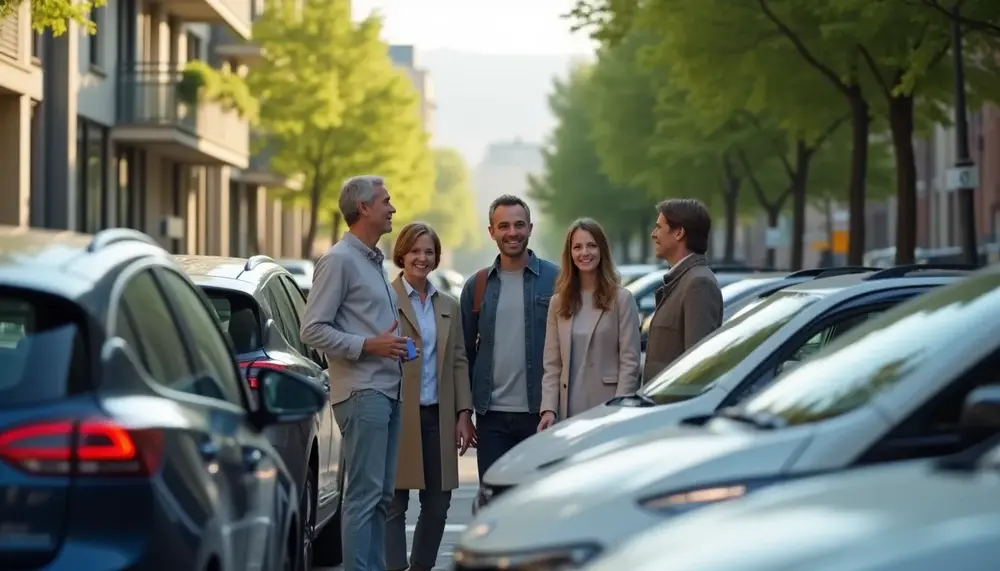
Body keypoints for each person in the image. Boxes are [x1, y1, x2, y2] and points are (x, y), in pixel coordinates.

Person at [301, 175, 414, 571]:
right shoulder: (338, 260)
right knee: (364, 497)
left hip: (387, 391)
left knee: (381, 496)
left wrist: (391, 346)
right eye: (385, 201)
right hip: (363, 393)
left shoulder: (372, 261)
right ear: (364, 208)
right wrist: (369, 345)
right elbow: (312, 329)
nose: (392, 208)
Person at [384, 222, 476, 571]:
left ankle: (421, 566)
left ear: (437, 257)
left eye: (429, 252)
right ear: (402, 255)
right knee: (394, 502)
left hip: (439, 415)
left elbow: (458, 361)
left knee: (438, 504)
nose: (422, 258)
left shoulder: (448, 304)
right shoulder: (385, 299)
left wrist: (464, 413)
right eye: (415, 251)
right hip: (397, 413)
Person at [459, 194, 559, 480]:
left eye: (519, 225)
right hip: (491, 419)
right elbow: (463, 355)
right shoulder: (477, 285)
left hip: (541, 414)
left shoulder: (557, 280)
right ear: (492, 232)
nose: (512, 232)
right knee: (494, 497)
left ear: (530, 228)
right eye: (503, 226)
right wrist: (464, 413)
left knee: (538, 496)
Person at [537, 219, 642, 428]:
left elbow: (630, 362)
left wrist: (620, 408)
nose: (585, 253)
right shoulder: (558, 302)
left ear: (602, 250)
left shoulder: (622, 299)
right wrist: (548, 409)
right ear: (570, 254)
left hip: (608, 408)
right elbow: (552, 364)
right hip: (568, 410)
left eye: (591, 245)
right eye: (577, 247)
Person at [642, 198, 723, 383]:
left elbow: (698, 366)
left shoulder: (699, 284)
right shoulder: (683, 280)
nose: (653, 234)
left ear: (679, 232)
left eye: (659, 227)